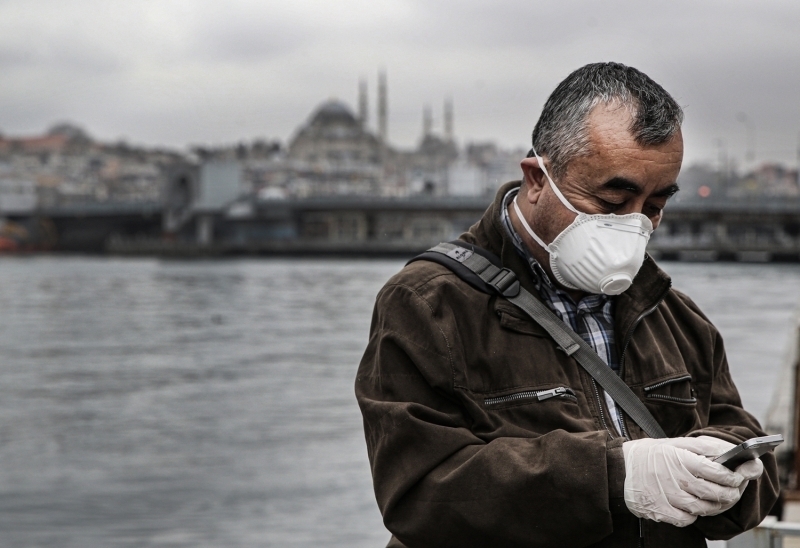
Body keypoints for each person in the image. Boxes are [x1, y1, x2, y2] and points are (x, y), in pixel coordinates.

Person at [355, 62, 779, 548]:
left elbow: (752, 462)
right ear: (537, 179)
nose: (635, 225)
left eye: (655, 205)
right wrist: (615, 477)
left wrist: (729, 475)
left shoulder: (674, 315)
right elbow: (417, 495)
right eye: (612, 201)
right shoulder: (429, 304)